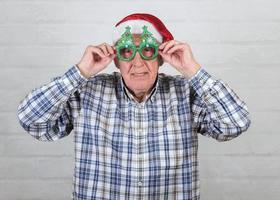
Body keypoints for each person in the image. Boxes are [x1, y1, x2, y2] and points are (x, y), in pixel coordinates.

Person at [17, 13, 251, 200]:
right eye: (127, 51)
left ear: (160, 57)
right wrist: (80, 72)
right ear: (116, 59)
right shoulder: (87, 91)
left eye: (147, 50)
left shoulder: (186, 93)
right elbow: (32, 121)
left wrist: (192, 70)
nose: (137, 62)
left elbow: (235, 124)